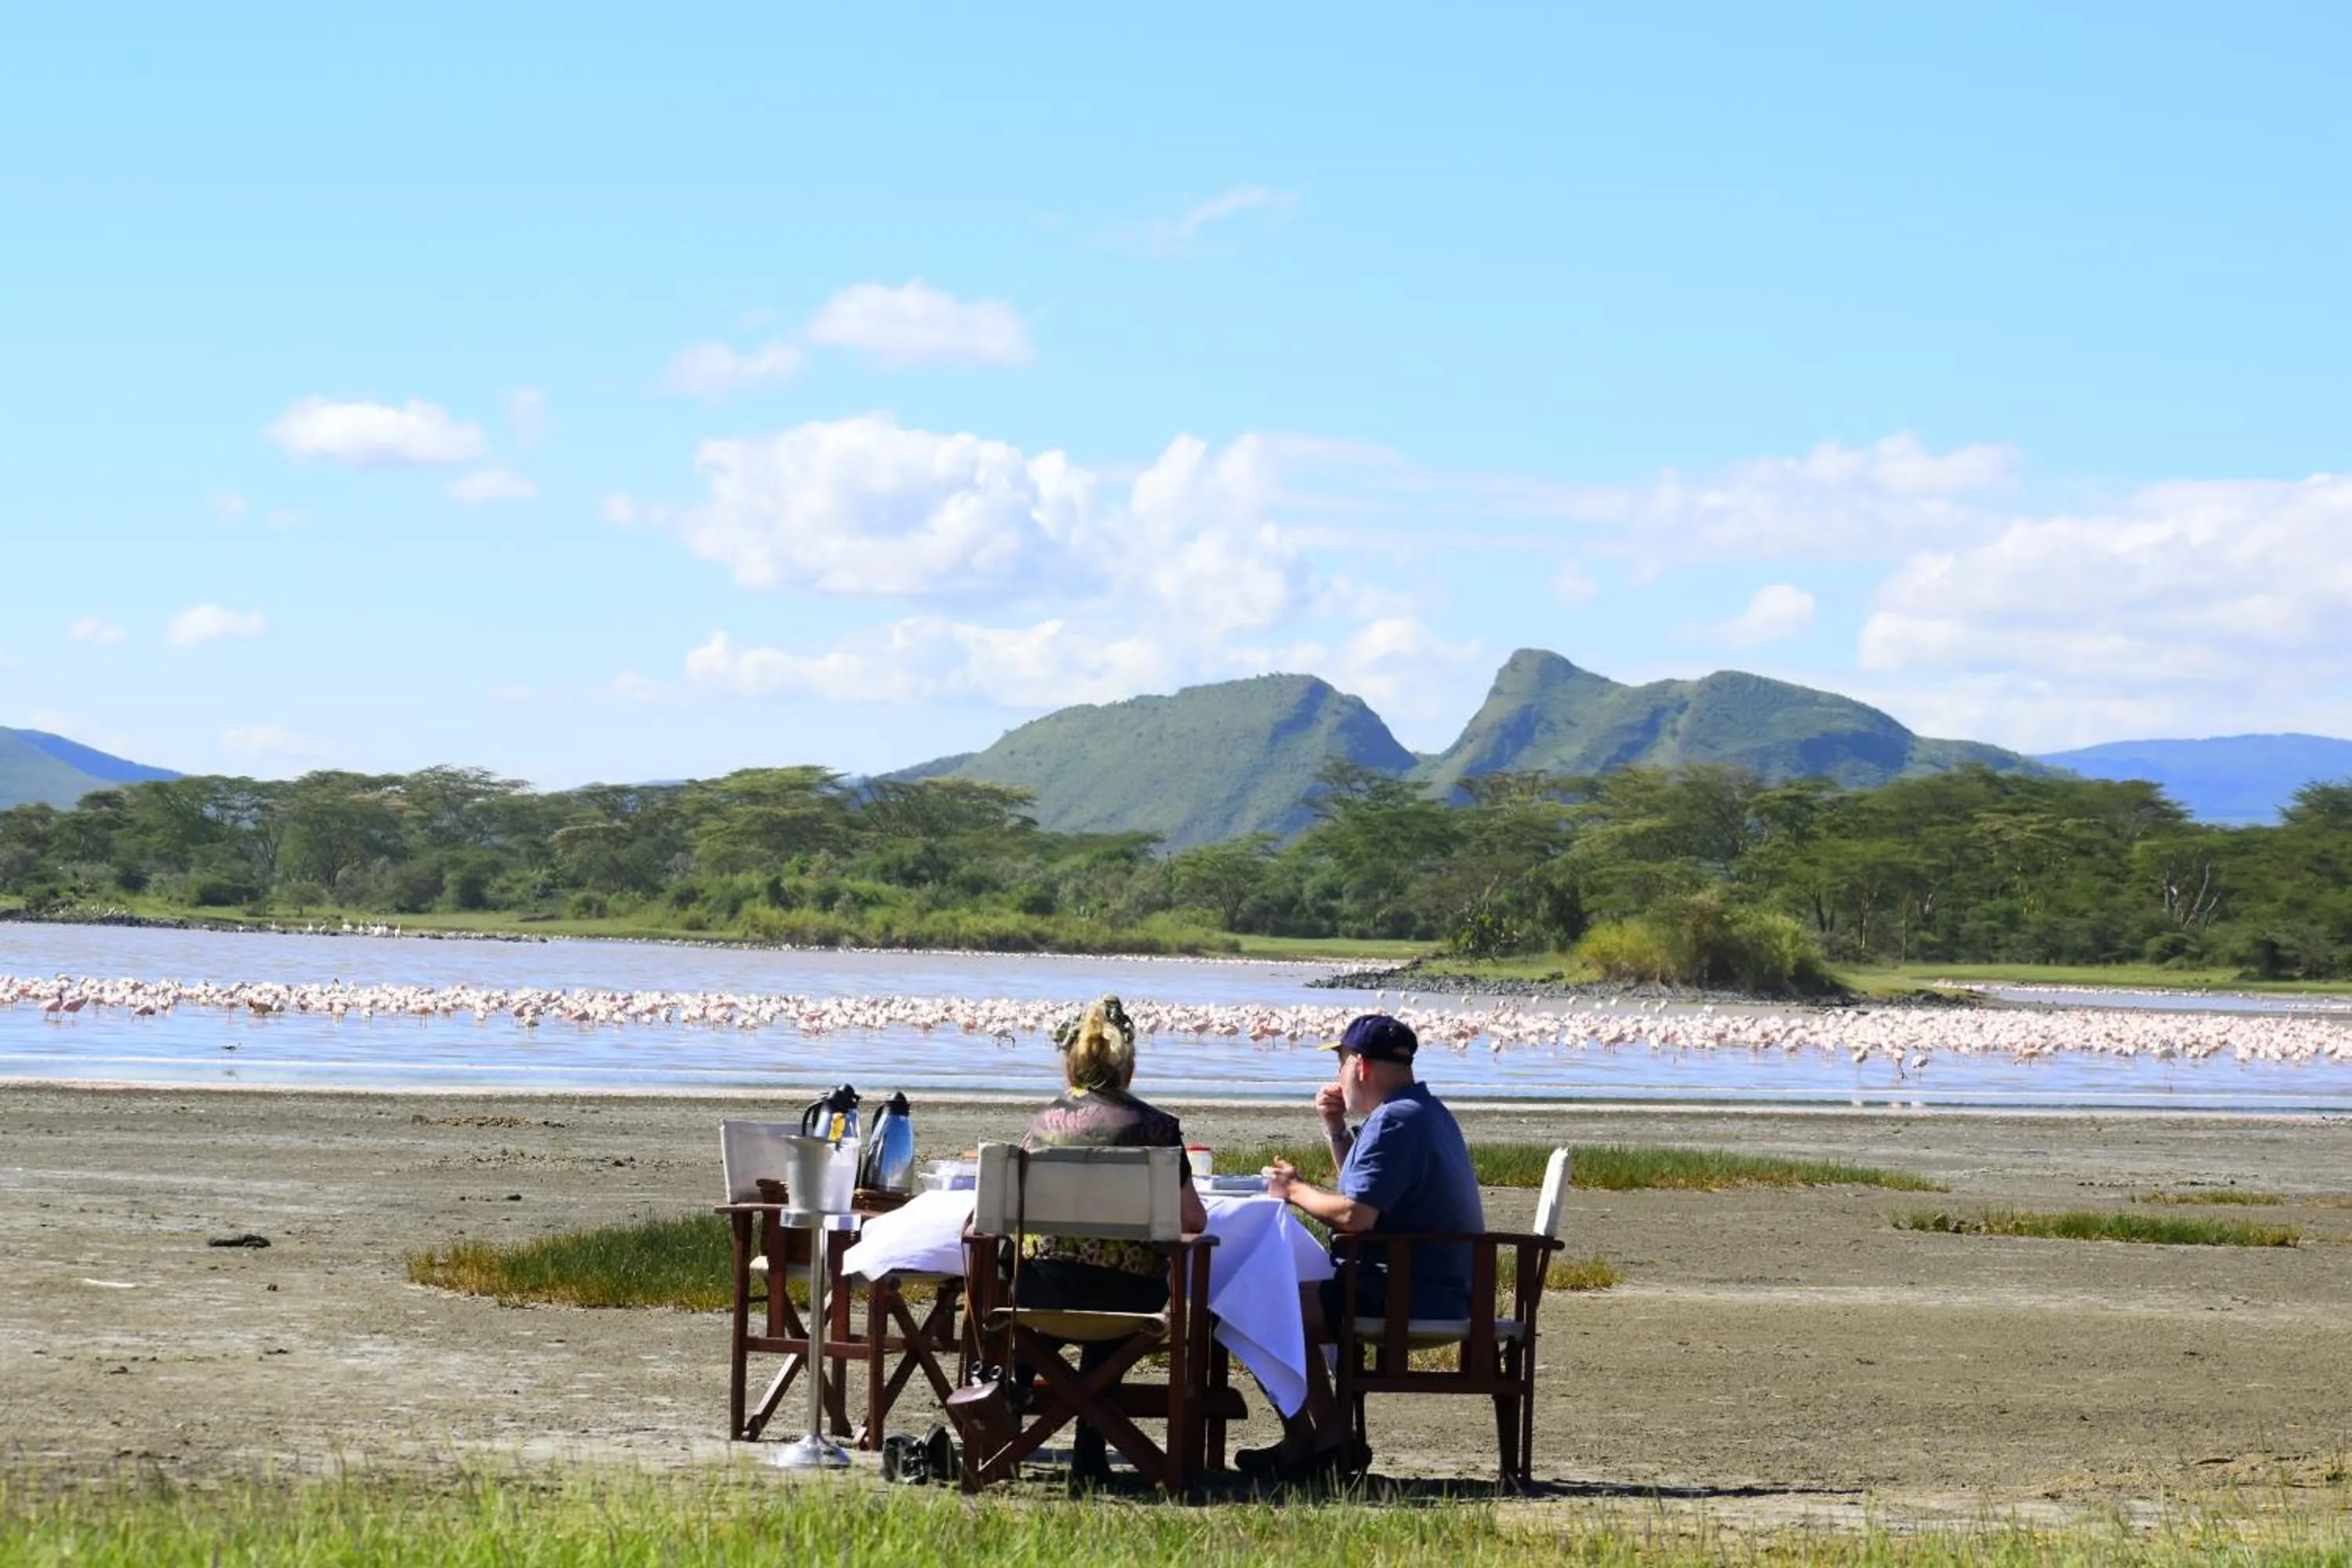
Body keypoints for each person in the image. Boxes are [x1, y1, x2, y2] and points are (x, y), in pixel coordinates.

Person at [1245, 1011, 1483, 1479]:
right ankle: (1324, 1438)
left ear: (1360, 1067)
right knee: (1274, 1300)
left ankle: (1320, 1438)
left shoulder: (1394, 1122)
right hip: (1433, 1284)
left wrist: (1293, 1189)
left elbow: (1355, 1216)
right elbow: (1365, 1194)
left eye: (1339, 1062)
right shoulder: (1422, 1111)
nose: (1336, 1076)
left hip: (1407, 1293)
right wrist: (1335, 1129)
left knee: (1256, 1310)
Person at [1010, 993, 1208, 1486]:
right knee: (1117, 1284)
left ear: (1071, 1067)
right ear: (1130, 1069)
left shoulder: (1042, 1127)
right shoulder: (1158, 1128)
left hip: (1041, 1297)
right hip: (1127, 1303)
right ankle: (1090, 1449)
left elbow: (995, 1212)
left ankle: (1011, 1425)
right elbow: (1193, 1220)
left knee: (1063, 1277)